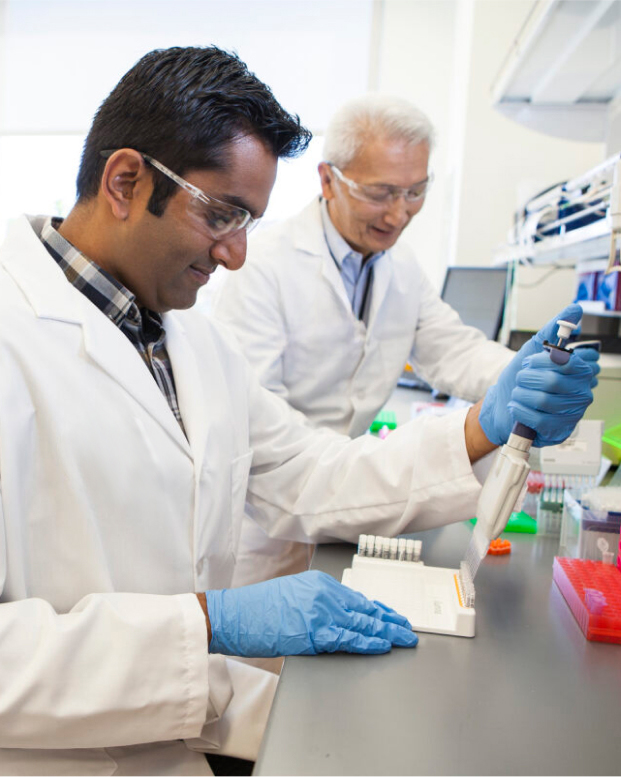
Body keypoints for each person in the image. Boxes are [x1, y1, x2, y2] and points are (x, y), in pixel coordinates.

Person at [0, 46, 596, 776]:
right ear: (124, 181)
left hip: (176, 732)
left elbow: (313, 470)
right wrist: (209, 623)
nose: (236, 255)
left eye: (249, 220)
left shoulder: (191, 341)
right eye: (222, 214)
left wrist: (484, 424)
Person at [213, 95, 517, 585]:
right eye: (380, 193)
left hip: (355, 502)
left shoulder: (401, 268)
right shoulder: (264, 266)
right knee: (269, 658)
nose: (398, 215)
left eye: (415, 192)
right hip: (270, 525)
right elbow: (259, 420)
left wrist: (524, 372)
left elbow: (452, 349)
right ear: (328, 179)